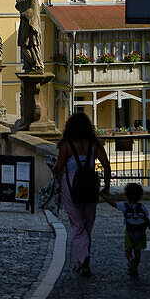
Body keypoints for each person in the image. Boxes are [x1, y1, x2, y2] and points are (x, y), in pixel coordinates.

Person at [52, 111, 111, 277]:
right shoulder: (94, 144)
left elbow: (59, 166)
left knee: (77, 224)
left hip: (71, 186)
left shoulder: (66, 145)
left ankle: (83, 261)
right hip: (91, 185)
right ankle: (83, 261)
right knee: (87, 225)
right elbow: (106, 165)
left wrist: (53, 170)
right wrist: (106, 187)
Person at [102, 182, 150, 277]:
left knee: (128, 250)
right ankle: (135, 266)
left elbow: (113, 204)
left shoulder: (124, 206)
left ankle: (131, 261)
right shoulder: (141, 206)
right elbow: (146, 219)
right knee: (138, 252)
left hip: (129, 231)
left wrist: (105, 197)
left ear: (126, 194)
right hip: (141, 232)